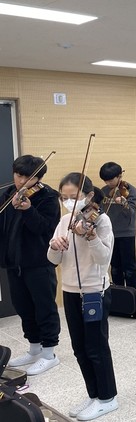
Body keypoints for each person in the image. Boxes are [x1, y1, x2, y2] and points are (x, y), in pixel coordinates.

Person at [48, 173, 119, 420]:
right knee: (79, 348)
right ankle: (93, 394)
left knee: (96, 347)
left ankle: (107, 398)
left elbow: (103, 259)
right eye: (64, 197)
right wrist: (54, 246)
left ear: (89, 195)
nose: (68, 202)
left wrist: (91, 237)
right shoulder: (64, 220)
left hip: (94, 292)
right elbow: (53, 260)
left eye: (73, 197)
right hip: (69, 291)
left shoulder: (102, 221)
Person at [0, 155, 61, 375]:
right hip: (14, 262)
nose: (22, 181)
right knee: (23, 306)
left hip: (38, 261)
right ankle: (34, 349)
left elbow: (45, 228)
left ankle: (49, 353)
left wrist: (28, 210)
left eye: (28, 177)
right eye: (18, 175)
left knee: (44, 306)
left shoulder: (48, 197)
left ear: (38, 178)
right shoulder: (8, 194)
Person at [99, 162, 136, 291]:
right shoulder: (103, 191)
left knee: (129, 269)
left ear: (119, 176)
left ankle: (133, 297)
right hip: (110, 233)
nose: (108, 183)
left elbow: (131, 213)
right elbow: (100, 211)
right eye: (105, 180)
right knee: (115, 268)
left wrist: (124, 203)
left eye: (111, 180)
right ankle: (119, 296)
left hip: (126, 233)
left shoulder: (130, 191)